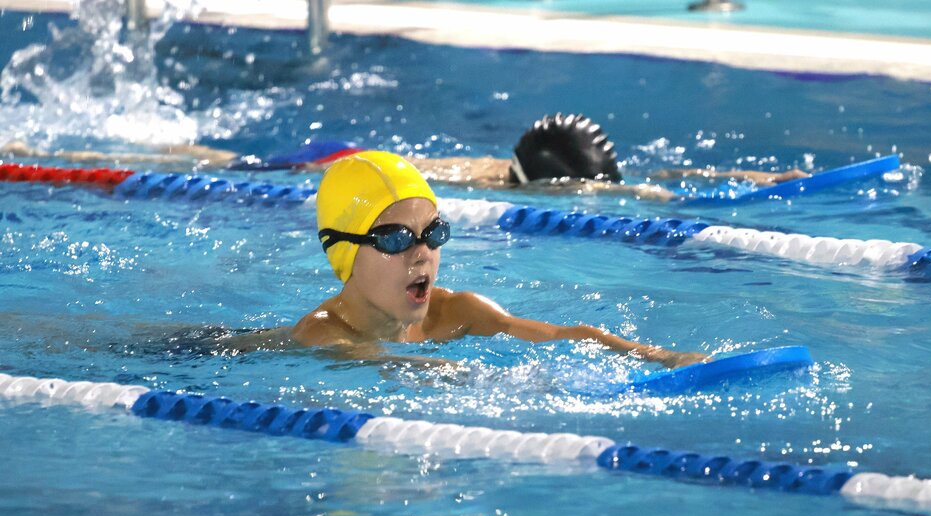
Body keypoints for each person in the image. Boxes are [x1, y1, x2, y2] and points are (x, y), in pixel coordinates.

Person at [280, 149, 707, 368]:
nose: (422, 253)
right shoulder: (322, 334)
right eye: (395, 239)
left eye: (434, 233)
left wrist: (662, 356)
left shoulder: (457, 312)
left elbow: (567, 334)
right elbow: (381, 363)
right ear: (343, 251)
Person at [0, 113, 806, 201]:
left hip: (354, 151)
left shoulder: (518, 173)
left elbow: (647, 184)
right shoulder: (492, 183)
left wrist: (744, 180)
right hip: (328, 162)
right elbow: (634, 197)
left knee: (215, 151)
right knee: (218, 165)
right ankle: (37, 149)